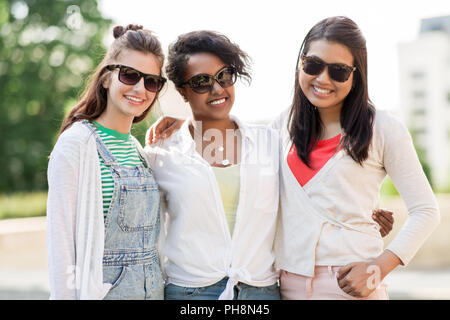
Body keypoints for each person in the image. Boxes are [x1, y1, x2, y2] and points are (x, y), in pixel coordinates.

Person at [145, 29, 395, 300]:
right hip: (189, 293)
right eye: (201, 82)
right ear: (183, 91)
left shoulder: (271, 141)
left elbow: (312, 189)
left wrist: (359, 217)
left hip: (260, 293)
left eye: (224, 76)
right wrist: (180, 124)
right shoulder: (162, 153)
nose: (217, 88)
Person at [271, 16, 440, 299]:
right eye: (313, 65)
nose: (322, 79)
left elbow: (426, 211)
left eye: (338, 71)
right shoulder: (281, 125)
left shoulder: (383, 128)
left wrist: (377, 269)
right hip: (286, 286)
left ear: (356, 75)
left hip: (351, 286)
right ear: (301, 62)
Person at [46, 24, 167, 300]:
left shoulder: (139, 150)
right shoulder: (77, 144)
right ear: (106, 78)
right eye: (129, 75)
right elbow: (61, 244)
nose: (140, 89)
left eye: (151, 81)